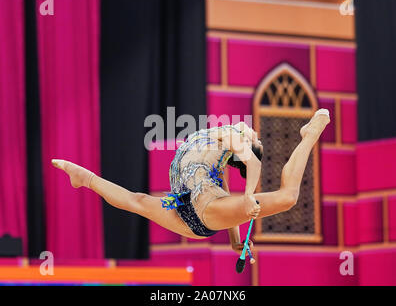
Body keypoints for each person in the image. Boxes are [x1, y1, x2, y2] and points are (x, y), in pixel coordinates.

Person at [52, 109, 330, 257]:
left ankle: (309, 135)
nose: (255, 134)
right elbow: (226, 189)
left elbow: (254, 164)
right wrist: (235, 239)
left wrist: (247, 197)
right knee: (136, 200)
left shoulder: (232, 138)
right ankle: (85, 178)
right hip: (188, 210)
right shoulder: (219, 145)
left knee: (288, 197)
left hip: (203, 210)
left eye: (255, 140)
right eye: (257, 138)